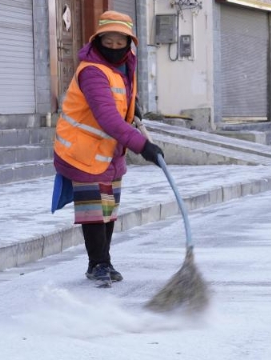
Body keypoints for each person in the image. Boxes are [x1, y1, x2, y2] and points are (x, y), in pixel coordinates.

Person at [51, 10, 164, 287]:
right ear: (97, 41)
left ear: (129, 44)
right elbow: (108, 118)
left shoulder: (125, 66)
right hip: (82, 150)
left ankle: (104, 261)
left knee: (108, 209)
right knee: (93, 210)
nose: (114, 48)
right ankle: (97, 263)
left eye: (120, 43)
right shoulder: (91, 71)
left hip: (110, 151)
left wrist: (132, 103)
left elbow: (120, 96)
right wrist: (143, 146)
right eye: (108, 42)